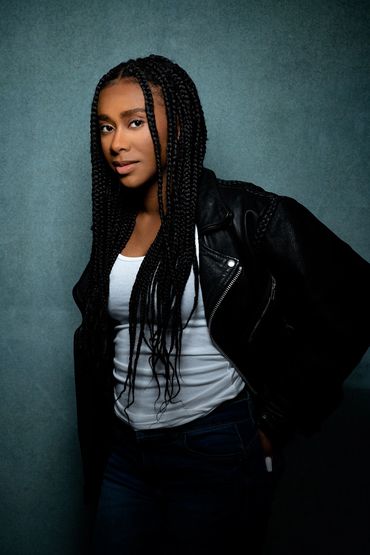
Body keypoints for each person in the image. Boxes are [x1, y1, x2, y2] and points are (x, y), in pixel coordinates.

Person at [72, 54, 370, 555]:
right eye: (105, 127)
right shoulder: (113, 228)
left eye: (135, 122)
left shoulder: (243, 214)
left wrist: (275, 420)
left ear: (180, 126)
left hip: (211, 449)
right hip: (124, 453)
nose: (115, 143)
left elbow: (355, 299)